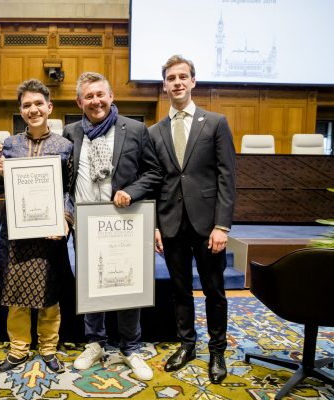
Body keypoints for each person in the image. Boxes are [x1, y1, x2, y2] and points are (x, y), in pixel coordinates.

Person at [64, 72, 159, 381]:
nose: (96, 101)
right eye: (88, 96)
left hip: (125, 224)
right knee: (90, 284)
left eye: (100, 94)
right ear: (80, 102)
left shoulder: (135, 129)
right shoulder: (70, 132)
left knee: (127, 285)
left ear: (111, 95)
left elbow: (154, 173)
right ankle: (94, 343)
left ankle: (131, 348)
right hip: (85, 224)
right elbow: (64, 179)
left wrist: (131, 192)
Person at [149, 55, 236, 384]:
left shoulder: (215, 123)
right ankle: (187, 344)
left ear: (193, 81)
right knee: (180, 291)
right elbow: (156, 182)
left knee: (214, 291)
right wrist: (155, 224)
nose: (177, 82)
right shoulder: (155, 132)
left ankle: (217, 351)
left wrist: (222, 225)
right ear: (165, 85)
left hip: (207, 226)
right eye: (171, 78)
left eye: (183, 77)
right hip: (171, 224)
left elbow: (227, 177)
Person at [0, 79, 73, 374]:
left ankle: (49, 348)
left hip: (49, 233)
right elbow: (1, 186)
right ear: (20, 110)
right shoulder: (10, 145)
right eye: (27, 105)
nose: (33, 109)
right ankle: (18, 349)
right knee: (16, 294)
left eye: (39, 103)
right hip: (17, 233)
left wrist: (64, 219)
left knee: (49, 293)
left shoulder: (65, 146)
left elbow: (70, 190)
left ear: (49, 107)